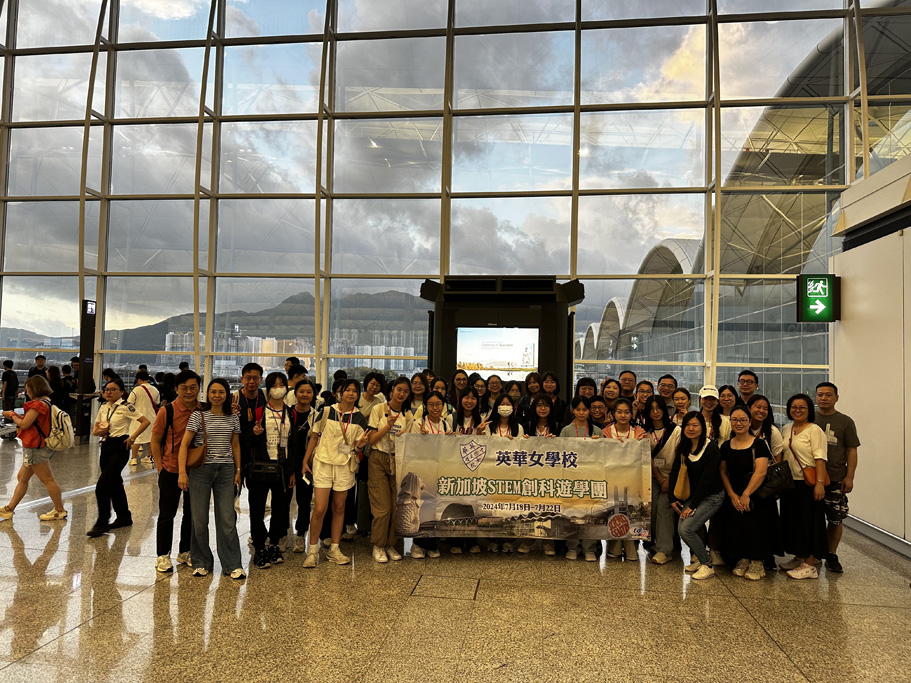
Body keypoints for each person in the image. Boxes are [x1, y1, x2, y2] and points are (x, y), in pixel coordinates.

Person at [177, 378, 245, 579]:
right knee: (199, 519)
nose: (217, 396)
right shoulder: (198, 416)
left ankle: (232, 564)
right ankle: (201, 562)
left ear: (227, 395)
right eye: (213, 392)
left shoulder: (233, 418)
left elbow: (235, 444)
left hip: (226, 471)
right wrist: (182, 472)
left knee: (227, 519)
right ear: (207, 394)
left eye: (221, 392)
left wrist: (238, 470)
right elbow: (184, 444)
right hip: (201, 470)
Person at [302, 379, 369, 567]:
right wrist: (305, 461)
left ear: (358, 395)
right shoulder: (326, 411)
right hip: (323, 463)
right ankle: (312, 551)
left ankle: (334, 549)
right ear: (341, 393)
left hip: (344, 466)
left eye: (354, 391)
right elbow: (314, 437)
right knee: (320, 508)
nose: (351, 393)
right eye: (348, 390)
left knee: (339, 508)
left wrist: (360, 446)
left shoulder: (359, 418)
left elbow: (357, 448)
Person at [718, 406, 778, 581]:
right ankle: (744, 558)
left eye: (743, 420)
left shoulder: (759, 444)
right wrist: (731, 494)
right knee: (739, 526)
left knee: (757, 526)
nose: (739, 423)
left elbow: (761, 471)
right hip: (734, 492)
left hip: (756, 493)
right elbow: (723, 472)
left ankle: (757, 562)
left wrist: (746, 494)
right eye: (735, 420)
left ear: (750, 422)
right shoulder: (726, 446)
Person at [150, 369, 199, 573]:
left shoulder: (203, 410)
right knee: (167, 513)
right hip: (170, 469)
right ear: (176, 389)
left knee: (191, 513)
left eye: (193, 387)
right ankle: (162, 555)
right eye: (184, 388)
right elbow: (155, 439)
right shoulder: (167, 411)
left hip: (195, 469)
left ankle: (185, 551)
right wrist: (160, 467)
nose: (189, 392)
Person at [87, 378, 150, 538]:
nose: (109, 392)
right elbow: (95, 429)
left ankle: (102, 521)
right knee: (115, 483)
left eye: (113, 389)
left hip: (120, 446)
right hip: (106, 445)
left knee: (102, 486)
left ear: (122, 392)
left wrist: (133, 437)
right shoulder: (103, 407)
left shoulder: (126, 407)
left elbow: (145, 421)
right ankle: (124, 517)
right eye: (106, 389)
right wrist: (99, 431)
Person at [0, 376, 67, 522]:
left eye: (27, 389)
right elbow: (30, 421)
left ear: (33, 389)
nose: (26, 392)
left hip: (35, 447)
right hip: (37, 446)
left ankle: (59, 510)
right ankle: (9, 509)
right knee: (22, 478)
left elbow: (24, 425)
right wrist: (16, 415)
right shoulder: (46, 402)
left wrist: (11, 415)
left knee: (48, 480)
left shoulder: (37, 404)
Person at [667, 411, 724, 580]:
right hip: (692, 496)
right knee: (682, 529)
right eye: (687, 425)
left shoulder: (711, 448)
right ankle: (701, 559)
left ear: (703, 427)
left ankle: (707, 565)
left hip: (712, 496)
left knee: (687, 529)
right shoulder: (684, 446)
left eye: (695, 425)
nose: (690, 428)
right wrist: (672, 498)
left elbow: (707, 481)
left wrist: (692, 506)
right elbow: (675, 471)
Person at [246, 372, 294, 569]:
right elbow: (246, 442)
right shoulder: (258, 412)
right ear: (268, 388)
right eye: (274, 385)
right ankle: (259, 548)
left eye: (282, 385)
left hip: (282, 469)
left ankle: (274, 543)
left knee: (281, 510)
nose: (278, 388)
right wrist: (255, 433)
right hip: (260, 469)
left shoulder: (291, 413)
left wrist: (292, 471)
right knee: (257, 510)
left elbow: (294, 444)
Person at [779, 394, 828, 580]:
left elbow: (820, 458)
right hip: (790, 483)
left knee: (810, 522)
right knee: (794, 522)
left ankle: (810, 564)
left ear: (809, 410)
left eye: (802, 408)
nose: (797, 410)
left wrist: (819, 484)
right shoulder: (787, 428)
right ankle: (800, 556)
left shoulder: (814, 430)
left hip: (808, 483)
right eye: (794, 407)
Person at [814, 382, 860, 574]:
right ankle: (812, 553)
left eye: (828, 395)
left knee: (835, 518)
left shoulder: (845, 421)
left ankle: (831, 554)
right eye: (820, 394)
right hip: (811, 479)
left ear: (836, 398)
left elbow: (851, 450)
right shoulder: (810, 418)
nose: (823, 398)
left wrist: (849, 476)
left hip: (835, 478)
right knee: (812, 519)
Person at [367, 377, 413, 563]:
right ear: (392, 390)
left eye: (406, 391)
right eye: (399, 389)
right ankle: (378, 545)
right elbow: (371, 439)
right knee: (383, 507)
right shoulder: (379, 409)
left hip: (398, 460)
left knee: (396, 506)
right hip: (378, 459)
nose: (401, 394)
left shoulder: (408, 415)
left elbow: (410, 443)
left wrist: (404, 437)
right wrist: (388, 426)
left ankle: (391, 545)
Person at [407, 391, 450, 559]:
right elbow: (412, 447)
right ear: (426, 406)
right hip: (423, 471)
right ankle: (417, 545)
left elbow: (449, 449)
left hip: (440, 472)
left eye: (438, 404)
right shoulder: (418, 424)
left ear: (443, 406)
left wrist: (452, 438)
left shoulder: (446, 425)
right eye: (431, 404)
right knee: (421, 507)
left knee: (436, 508)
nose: (435, 408)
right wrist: (421, 439)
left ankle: (432, 545)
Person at [602, 398, 647, 561]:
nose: (623, 415)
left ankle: (631, 547)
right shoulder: (606, 432)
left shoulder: (639, 432)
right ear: (613, 414)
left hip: (633, 480)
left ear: (631, 414)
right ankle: (614, 546)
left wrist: (641, 444)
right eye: (619, 412)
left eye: (626, 412)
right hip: (612, 479)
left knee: (631, 512)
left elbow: (646, 454)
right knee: (614, 511)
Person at [558, 396, 601, 562]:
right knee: (572, 514)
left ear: (589, 411)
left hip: (591, 478)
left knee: (591, 514)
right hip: (571, 479)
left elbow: (604, 456)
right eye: (578, 409)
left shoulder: (597, 431)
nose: (581, 413)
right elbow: (560, 454)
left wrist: (599, 444)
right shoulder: (566, 431)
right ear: (572, 410)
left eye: (585, 409)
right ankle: (572, 546)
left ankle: (589, 548)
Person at [450, 388, 489, 555]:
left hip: (475, 468)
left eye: (473, 398)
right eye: (466, 397)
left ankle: (472, 541)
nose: (469, 401)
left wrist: (479, 433)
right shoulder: (451, 418)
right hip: (454, 467)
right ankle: (456, 541)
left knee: (473, 504)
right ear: (461, 399)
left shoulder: (481, 419)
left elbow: (488, 445)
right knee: (457, 504)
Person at [643, 395, 680, 565]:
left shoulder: (676, 430)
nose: (655, 412)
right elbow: (648, 458)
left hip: (673, 476)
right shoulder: (646, 432)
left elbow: (680, 457)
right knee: (652, 510)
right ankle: (658, 544)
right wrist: (659, 478)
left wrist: (669, 479)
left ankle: (665, 550)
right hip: (653, 476)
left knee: (664, 510)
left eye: (658, 408)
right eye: (651, 409)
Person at [489, 393, 524, 554]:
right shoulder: (489, 426)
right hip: (492, 474)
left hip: (510, 474)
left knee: (509, 509)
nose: (505, 407)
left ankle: (508, 540)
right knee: (492, 509)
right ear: (496, 407)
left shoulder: (518, 427)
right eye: (502, 404)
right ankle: (492, 540)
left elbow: (522, 450)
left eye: (508, 404)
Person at [287, 378, 317, 553]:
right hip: (287, 464)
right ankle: (281, 534)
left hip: (308, 465)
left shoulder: (316, 416)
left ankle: (300, 534)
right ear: (295, 393)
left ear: (313, 395)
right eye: (301, 391)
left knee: (304, 502)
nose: (305, 394)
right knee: (283, 501)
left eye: (308, 392)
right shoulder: (288, 413)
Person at [127, 370, 160, 466]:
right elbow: (157, 402)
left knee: (136, 437)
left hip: (139, 417)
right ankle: (149, 457)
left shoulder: (136, 390)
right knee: (150, 438)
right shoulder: (155, 389)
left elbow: (129, 402)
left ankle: (133, 458)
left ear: (139, 380)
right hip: (152, 417)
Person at [747, 394, 783, 461]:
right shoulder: (742, 428)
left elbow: (777, 460)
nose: (761, 411)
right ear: (748, 408)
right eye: (758, 407)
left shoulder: (773, 431)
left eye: (765, 409)